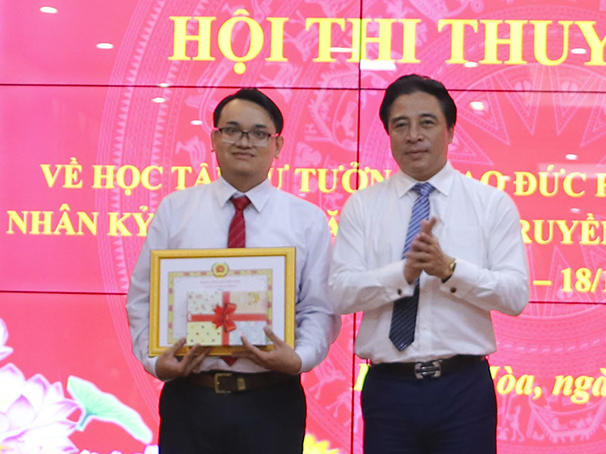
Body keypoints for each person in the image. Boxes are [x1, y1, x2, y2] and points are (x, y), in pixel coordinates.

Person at [126, 88, 340, 454]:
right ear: (214, 139)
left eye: (259, 133)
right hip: (190, 399)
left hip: (272, 401)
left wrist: (299, 358)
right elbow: (144, 297)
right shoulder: (176, 210)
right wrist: (156, 361)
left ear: (277, 145)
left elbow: (319, 307)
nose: (244, 141)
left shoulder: (307, 220)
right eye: (232, 130)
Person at [329, 74, 529, 454]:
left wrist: (450, 270)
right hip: (389, 388)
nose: (413, 136)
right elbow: (340, 294)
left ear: (450, 131)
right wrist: (402, 274)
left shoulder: (491, 204)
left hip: (463, 387)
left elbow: (515, 295)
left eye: (426, 123)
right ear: (388, 134)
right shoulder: (363, 206)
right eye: (400, 125)